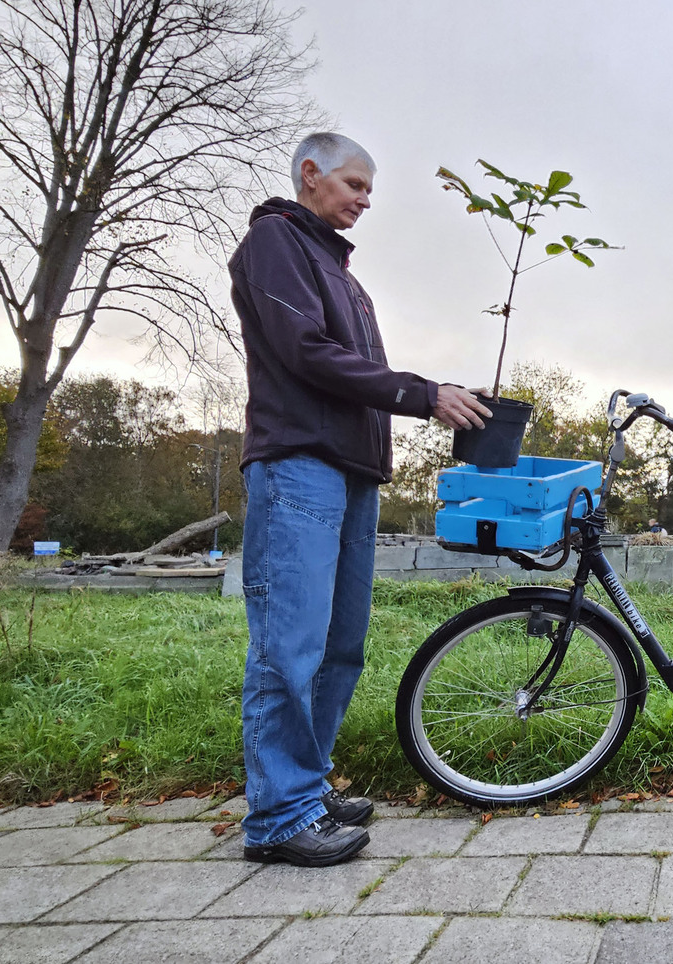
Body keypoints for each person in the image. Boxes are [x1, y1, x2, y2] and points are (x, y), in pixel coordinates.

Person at [229, 132, 491, 866]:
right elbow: (308, 354)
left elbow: (352, 370)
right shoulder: (274, 243)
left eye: (369, 191)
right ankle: (278, 817)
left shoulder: (340, 271)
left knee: (339, 646)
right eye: (354, 185)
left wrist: (442, 402)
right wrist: (421, 394)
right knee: (290, 646)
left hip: (350, 472)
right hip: (298, 466)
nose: (364, 201)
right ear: (310, 174)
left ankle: (305, 788)